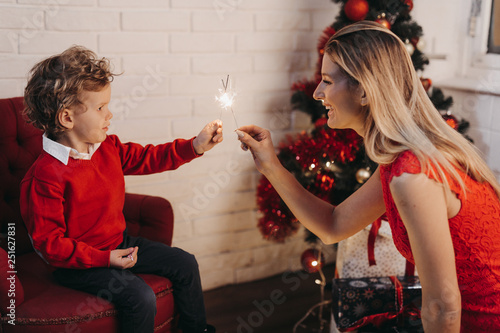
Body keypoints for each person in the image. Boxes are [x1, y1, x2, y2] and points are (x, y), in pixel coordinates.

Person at [236, 21, 500, 333]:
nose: (318, 92)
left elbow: (443, 306)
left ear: (363, 90)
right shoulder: (400, 159)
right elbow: (333, 226)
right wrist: (271, 167)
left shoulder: (411, 174)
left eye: (326, 81)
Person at [20, 45, 221, 333]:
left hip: (119, 242)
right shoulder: (44, 177)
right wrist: (104, 258)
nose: (109, 115)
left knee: (184, 263)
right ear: (67, 118)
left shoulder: (108, 148)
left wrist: (195, 146)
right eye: (101, 108)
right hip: (79, 265)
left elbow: (150, 157)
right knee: (140, 297)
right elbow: (50, 246)